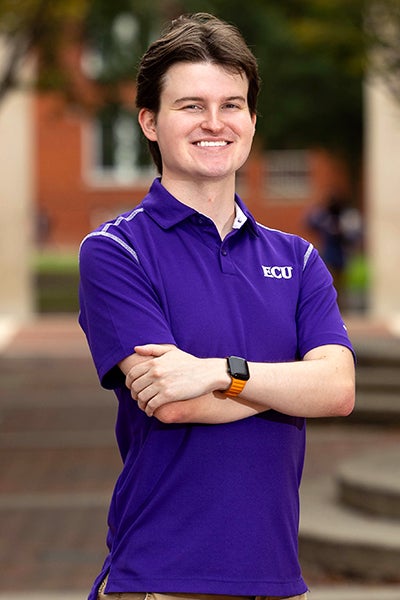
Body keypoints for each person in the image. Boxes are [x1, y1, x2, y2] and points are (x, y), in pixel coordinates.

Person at [79, 12, 355, 600]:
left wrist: (216, 372)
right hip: (163, 579)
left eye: (232, 104)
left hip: (278, 582)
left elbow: (339, 390)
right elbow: (173, 406)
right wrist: (292, 384)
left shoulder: (299, 259)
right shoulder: (115, 250)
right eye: (191, 106)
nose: (215, 123)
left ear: (252, 120)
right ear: (149, 123)